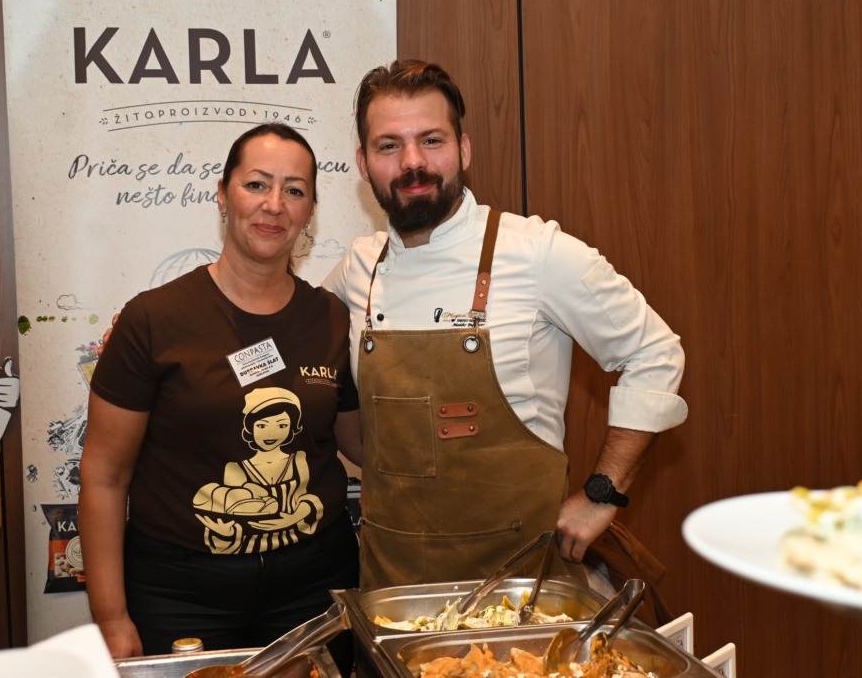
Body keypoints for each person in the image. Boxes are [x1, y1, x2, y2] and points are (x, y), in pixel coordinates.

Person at [320, 59, 688, 588]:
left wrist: (603, 493)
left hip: (522, 588)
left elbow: (654, 352)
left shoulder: (538, 252)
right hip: (393, 589)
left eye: (432, 140)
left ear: (464, 150)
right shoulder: (359, 267)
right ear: (363, 162)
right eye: (389, 146)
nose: (412, 162)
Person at [79, 123, 361, 666]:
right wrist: (110, 617)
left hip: (313, 585)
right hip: (181, 594)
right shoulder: (153, 320)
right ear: (223, 195)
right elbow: (104, 477)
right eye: (257, 184)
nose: (274, 204)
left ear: (309, 212)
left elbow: (360, 443)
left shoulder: (329, 317)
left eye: (294, 190)